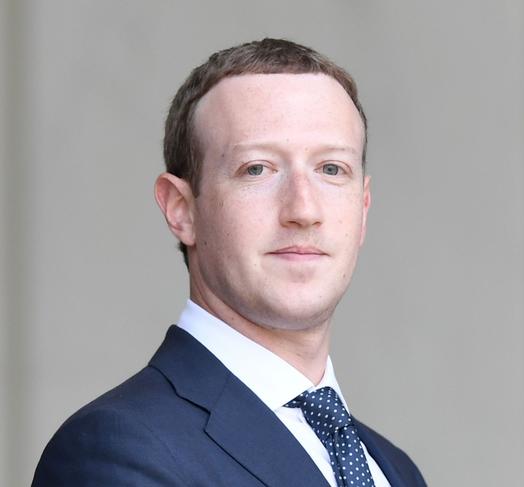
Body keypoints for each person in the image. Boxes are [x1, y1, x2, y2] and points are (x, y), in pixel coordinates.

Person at [32, 38, 426, 487]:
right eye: (257, 169)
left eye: (331, 169)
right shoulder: (114, 450)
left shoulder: (393, 470)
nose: (303, 209)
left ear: (363, 208)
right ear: (181, 209)